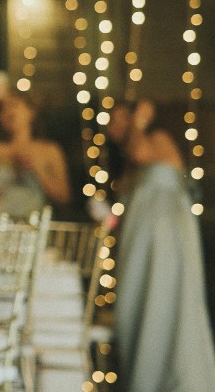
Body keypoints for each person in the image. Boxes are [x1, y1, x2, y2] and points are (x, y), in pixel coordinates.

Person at [108, 100, 215, 392]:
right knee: (137, 303)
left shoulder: (156, 138)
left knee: (165, 299)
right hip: (140, 241)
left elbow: (140, 152)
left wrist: (139, 121)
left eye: (120, 118)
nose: (114, 126)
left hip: (166, 237)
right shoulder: (128, 166)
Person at [0, 93, 71, 219]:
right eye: (2, 109)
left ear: (31, 111)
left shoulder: (49, 150)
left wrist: (37, 170)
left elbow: (64, 197)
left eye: (14, 105)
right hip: (1, 223)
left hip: (37, 224)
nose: (8, 111)